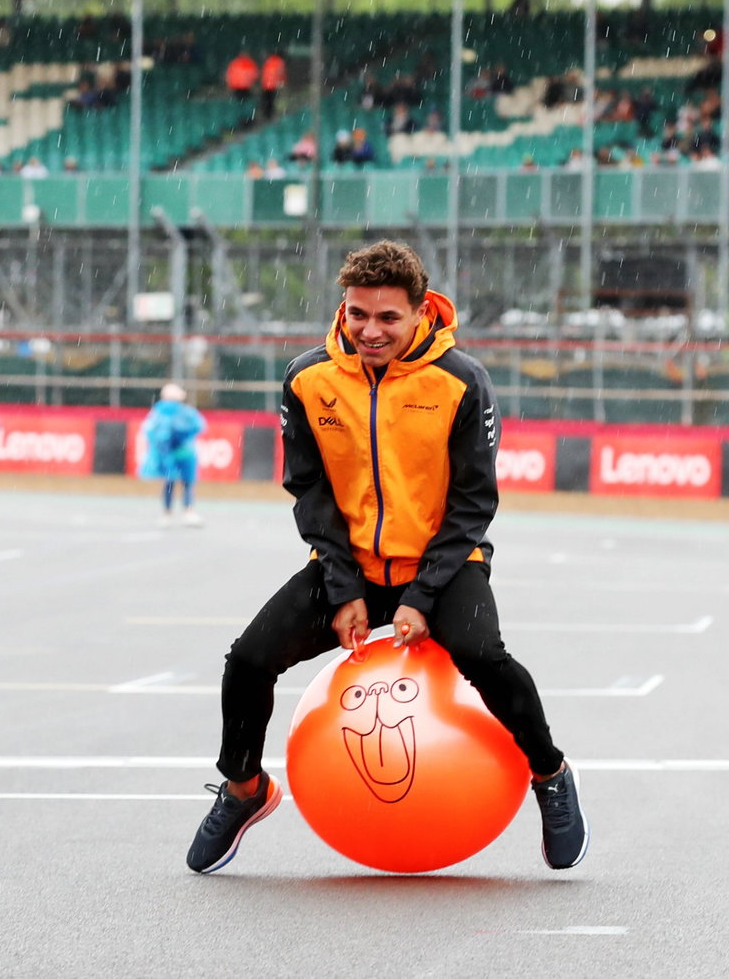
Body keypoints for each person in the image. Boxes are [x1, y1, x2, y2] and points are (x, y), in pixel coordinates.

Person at [183, 241, 588, 876]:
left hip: (445, 564)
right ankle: (243, 790)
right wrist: (344, 588)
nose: (370, 330)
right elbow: (310, 491)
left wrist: (422, 597)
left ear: (421, 312)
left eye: (388, 318)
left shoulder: (461, 382)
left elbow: (472, 503)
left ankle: (550, 772)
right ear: (342, 309)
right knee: (248, 661)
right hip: (352, 567)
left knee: (484, 656)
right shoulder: (306, 378)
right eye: (357, 315)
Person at [139, 383, 206, 527]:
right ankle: (178, 512)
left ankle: (174, 512)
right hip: (178, 453)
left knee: (179, 482)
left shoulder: (164, 412)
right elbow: (198, 426)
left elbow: (150, 430)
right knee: (178, 483)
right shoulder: (168, 412)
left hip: (180, 453)